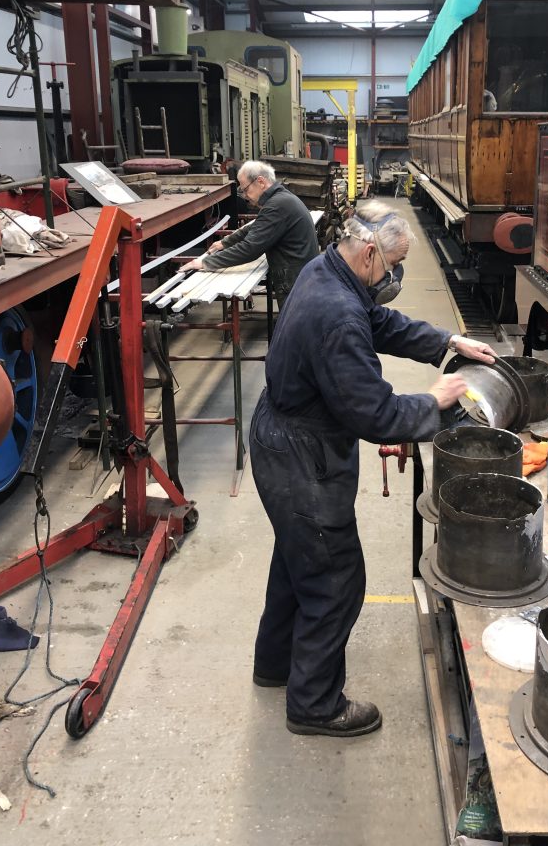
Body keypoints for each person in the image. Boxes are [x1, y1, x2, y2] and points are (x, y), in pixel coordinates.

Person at [249, 201, 497, 738]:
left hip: (282, 437)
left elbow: (378, 321)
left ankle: (274, 666)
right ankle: (314, 705)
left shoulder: (330, 271)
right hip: (301, 455)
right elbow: (376, 414)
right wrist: (433, 402)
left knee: (299, 560)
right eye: (394, 264)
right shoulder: (336, 312)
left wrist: (447, 343)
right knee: (336, 577)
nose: (398, 276)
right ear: (367, 253)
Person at [180, 160, 318, 309]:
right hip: (302, 276)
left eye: (245, 189)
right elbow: (257, 225)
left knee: (295, 327)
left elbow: (249, 249)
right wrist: (225, 242)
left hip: (295, 282)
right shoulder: (281, 198)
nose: (245, 196)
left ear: (260, 182)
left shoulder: (277, 205)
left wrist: (205, 262)